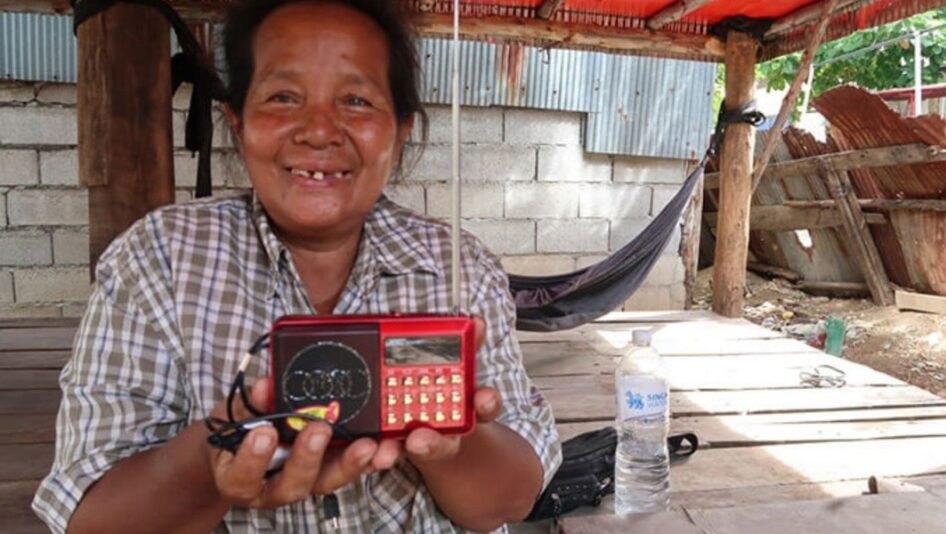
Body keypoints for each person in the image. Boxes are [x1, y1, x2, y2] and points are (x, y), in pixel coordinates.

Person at [31, 0, 561, 531]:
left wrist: (453, 435)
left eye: (356, 100)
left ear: (400, 133)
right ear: (237, 122)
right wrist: (215, 451)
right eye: (283, 97)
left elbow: (510, 501)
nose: (319, 130)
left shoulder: (460, 268)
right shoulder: (158, 258)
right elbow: (92, 518)